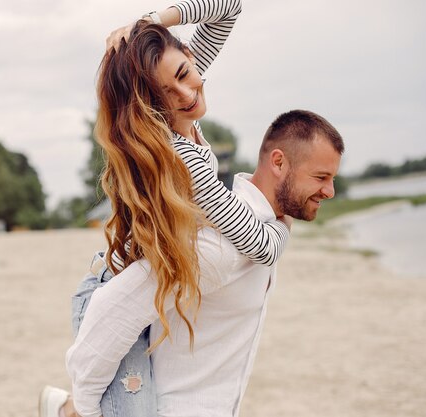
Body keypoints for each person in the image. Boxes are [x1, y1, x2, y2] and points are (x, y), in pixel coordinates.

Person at [41, 0, 296, 415]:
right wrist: (285, 218)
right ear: (151, 105)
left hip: (143, 291)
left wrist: (149, 21)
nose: (186, 93)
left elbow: (229, 7)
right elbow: (261, 245)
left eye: (184, 73)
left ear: (192, 59)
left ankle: (60, 408)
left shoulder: (184, 103)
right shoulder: (182, 156)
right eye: (166, 93)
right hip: (115, 294)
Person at [59, 109, 345, 417]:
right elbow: (113, 310)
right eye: (321, 177)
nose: (329, 191)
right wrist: (85, 408)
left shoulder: (264, 229)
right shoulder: (220, 248)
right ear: (278, 162)